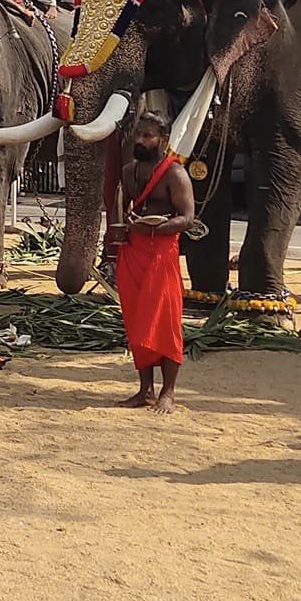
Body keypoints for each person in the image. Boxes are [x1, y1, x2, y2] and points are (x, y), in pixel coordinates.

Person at [111, 110, 193, 412]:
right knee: (137, 322)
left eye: (148, 136)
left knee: (165, 321)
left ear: (164, 139)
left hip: (161, 254)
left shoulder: (175, 174)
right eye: (139, 134)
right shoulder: (129, 170)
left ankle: (168, 392)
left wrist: (155, 228)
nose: (141, 140)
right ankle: (145, 389)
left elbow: (187, 219)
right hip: (133, 252)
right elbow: (122, 209)